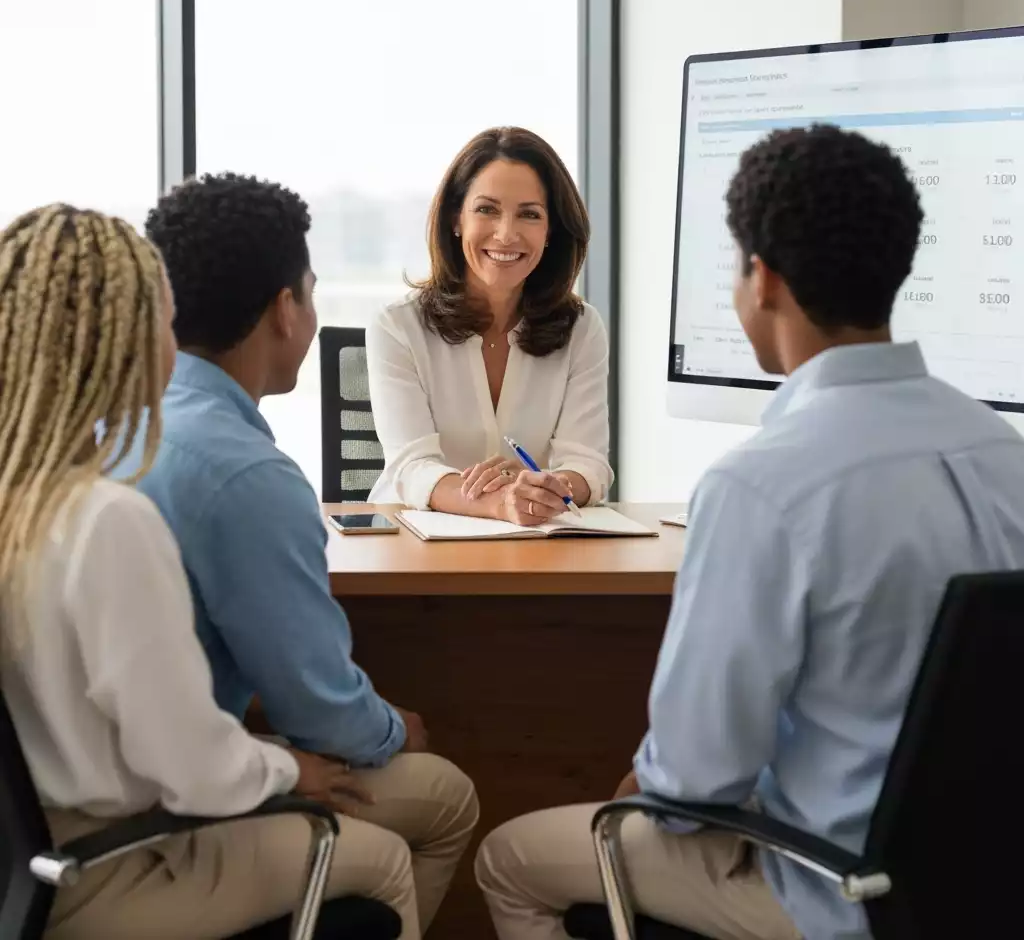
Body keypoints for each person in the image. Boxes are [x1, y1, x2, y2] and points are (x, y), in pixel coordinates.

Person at [474, 124, 1024, 940]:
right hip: (992, 885)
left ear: (761, 279)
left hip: (835, 891)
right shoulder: (1004, 454)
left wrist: (648, 783)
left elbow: (693, 785)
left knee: (512, 861)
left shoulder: (762, 486)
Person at [0, 205, 419, 937]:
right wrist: (289, 769)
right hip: (110, 864)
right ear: (132, 341)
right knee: (383, 861)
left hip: (25, 865)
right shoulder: (107, 520)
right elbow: (193, 768)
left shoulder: (24, 497)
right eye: (166, 321)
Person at [116, 174, 478, 936]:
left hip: (77, 806)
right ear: (286, 309)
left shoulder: (114, 428)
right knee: (443, 796)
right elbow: (324, 717)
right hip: (156, 821)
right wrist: (395, 729)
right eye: (311, 296)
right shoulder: (247, 476)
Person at [366, 126, 612, 526]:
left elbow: (589, 464)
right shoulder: (397, 326)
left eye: (529, 214)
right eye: (487, 209)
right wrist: (500, 502)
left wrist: (550, 489)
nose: (506, 234)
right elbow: (411, 468)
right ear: (456, 218)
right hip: (411, 543)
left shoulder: (582, 328)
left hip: (532, 544)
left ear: (550, 231)